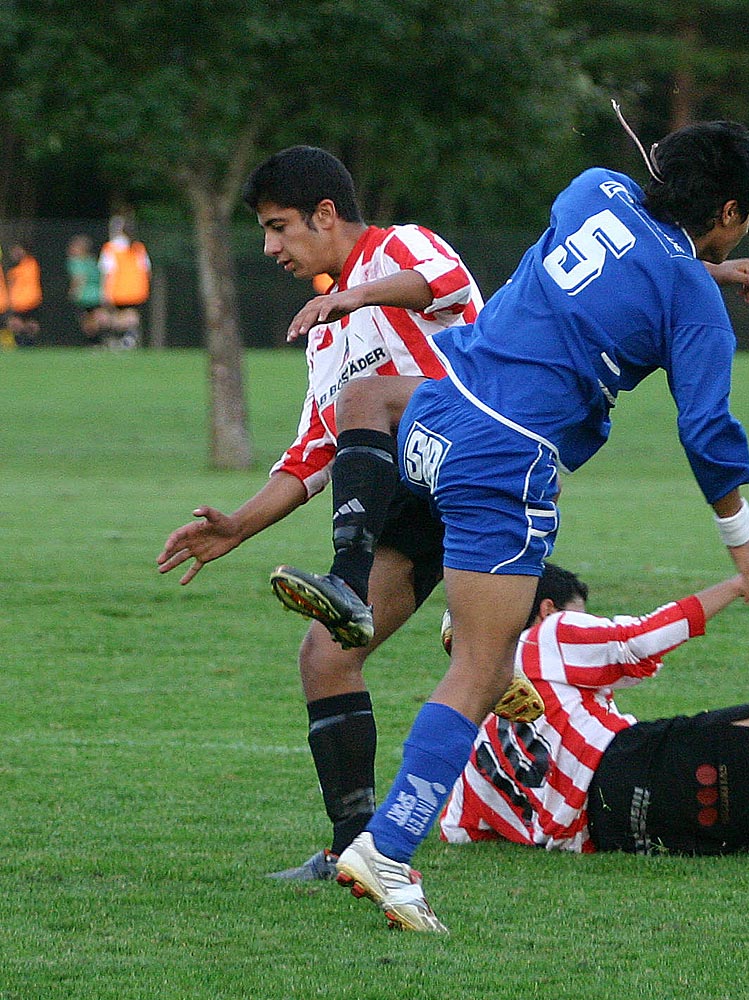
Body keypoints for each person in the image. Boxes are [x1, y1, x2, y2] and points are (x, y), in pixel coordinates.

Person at [279, 115, 749, 931]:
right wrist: (744, 540)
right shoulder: (691, 296)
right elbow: (706, 431)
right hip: (506, 458)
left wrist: (702, 270)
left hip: (438, 414)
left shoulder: (594, 187)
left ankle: (400, 597)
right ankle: (388, 849)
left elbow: (616, 263)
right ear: (729, 211)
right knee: (484, 673)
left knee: (371, 409)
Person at [157, 145, 534, 881]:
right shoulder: (326, 329)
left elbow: (446, 283)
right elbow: (314, 453)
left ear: (325, 215)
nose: (269, 247)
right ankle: (353, 848)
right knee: (325, 656)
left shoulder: (402, 245)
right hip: (411, 502)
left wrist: (359, 295)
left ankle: (455, 617)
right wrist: (235, 525)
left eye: (279, 227)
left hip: (475, 460)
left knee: (373, 400)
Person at [439, 563, 749, 882]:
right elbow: (637, 640)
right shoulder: (544, 634)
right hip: (628, 770)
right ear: (549, 607)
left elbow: (458, 830)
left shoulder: (469, 724)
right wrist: (734, 585)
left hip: (615, 836)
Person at [98, 215, 151, 349]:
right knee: (131, 315)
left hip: (117, 290)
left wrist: (105, 292)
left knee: (117, 317)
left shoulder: (110, 248)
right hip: (137, 290)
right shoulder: (139, 247)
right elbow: (147, 270)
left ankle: (122, 340)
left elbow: (107, 272)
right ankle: (128, 338)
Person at [66, 234, 105, 346]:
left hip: (84, 296)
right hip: (97, 294)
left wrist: (73, 292)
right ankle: (97, 343)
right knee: (94, 320)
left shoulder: (75, 261)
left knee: (85, 321)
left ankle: (91, 343)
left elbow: (78, 278)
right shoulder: (92, 261)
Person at [4, 242, 43, 347]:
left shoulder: (31, 263)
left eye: (18, 250)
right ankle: (21, 342)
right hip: (18, 302)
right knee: (15, 324)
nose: (15, 253)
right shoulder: (12, 268)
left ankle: (29, 343)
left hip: (31, 300)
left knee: (31, 324)